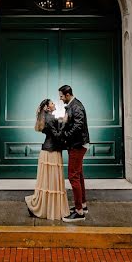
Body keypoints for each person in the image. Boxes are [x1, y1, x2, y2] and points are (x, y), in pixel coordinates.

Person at [25, 98, 69, 220]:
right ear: (47, 107)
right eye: (52, 103)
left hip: (47, 151)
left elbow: (53, 128)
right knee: (53, 183)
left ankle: (41, 206)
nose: (54, 104)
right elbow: (57, 136)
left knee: (47, 183)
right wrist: (64, 122)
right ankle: (38, 206)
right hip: (52, 152)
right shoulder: (49, 118)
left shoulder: (46, 118)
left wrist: (60, 121)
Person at [58, 84, 90, 222]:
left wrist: (66, 136)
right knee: (79, 175)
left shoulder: (76, 106)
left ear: (67, 95)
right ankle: (82, 205)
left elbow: (78, 126)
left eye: (61, 96)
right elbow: (73, 123)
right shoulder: (73, 105)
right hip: (77, 144)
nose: (60, 99)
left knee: (73, 176)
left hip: (77, 145)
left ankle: (79, 212)